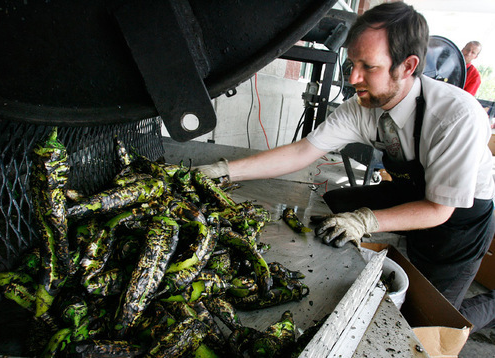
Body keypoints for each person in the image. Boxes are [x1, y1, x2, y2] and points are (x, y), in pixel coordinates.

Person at [197, 2, 495, 331]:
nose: (354, 78)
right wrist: (224, 171)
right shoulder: (362, 106)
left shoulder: (456, 117)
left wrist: (365, 220)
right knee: (334, 210)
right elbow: (301, 152)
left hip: (458, 216)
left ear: (407, 66)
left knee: (430, 317)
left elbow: (439, 210)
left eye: (368, 66)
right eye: (351, 63)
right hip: (411, 189)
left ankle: (488, 305)